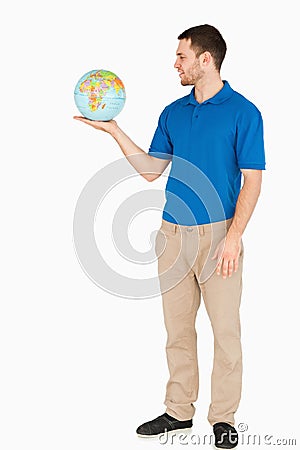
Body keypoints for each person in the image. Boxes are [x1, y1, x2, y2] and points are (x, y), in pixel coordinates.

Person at [74, 24, 266, 450]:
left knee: (226, 334)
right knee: (177, 332)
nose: (174, 63)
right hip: (171, 234)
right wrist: (113, 129)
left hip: (220, 238)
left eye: (181, 56)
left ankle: (223, 418)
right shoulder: (173, 113)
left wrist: (234, 238)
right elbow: (149, 170)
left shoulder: (244, 112)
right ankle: (179, 411)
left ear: (206, 59)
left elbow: (252, 181)